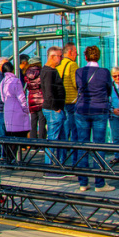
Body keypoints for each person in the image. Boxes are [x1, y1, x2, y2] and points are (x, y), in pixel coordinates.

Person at [74, 46, 114, 192]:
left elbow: (78, 86)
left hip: (82, 110)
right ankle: (100, 183)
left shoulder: (79, 71)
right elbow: (109, 90)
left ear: (85, 57)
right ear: (99, 56)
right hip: (100, 110)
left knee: (82, 145)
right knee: (99, 145)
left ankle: (83, 182)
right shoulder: (104, 72)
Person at [41, 46, 66, 178]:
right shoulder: (49, 72)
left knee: (59, 138)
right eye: (60, 56)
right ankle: (50, 168)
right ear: (52, 57)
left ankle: (59, 166)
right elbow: (49, 92)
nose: (61, 58)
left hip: (53, 109)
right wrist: (56, 107)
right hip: (53, 109)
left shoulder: (48, 70)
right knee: (53, 139)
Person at [0, 61, 30, 160]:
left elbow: (3, 98)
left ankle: (9, 158)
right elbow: (21, 96)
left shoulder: (3, 81)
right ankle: (13, 159)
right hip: (17, 111)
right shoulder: (15, 80)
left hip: (7, 110)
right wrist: (25, 109)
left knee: (10, 136)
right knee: (17, 137)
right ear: (12, 69)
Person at [57, 43, 79, 145]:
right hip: (72, 101)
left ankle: (63, 156)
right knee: (74, 130)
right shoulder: (72, 64)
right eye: (75, 52)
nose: (77, 55)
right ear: (70, 52)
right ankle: (75, 156)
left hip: (60, 102)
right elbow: (76, 84)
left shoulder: (58, 64)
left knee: (64, 131)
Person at [24, 56, 46, 141]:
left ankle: (33, 142)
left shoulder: (26, 73)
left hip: (31, 98)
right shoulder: (42, 72)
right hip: (41, 98)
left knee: (33, 121)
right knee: (42, 121)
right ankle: (41, 141)